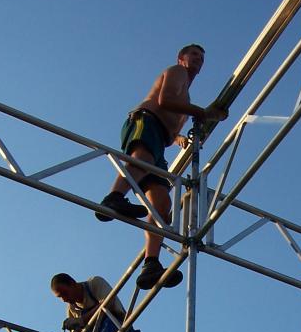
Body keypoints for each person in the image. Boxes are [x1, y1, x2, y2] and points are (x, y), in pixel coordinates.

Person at [95, 43, 228, 290]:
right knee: (141, 160)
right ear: (181, 58)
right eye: (194, 54)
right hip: (146, 122)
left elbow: (171, 124)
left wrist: (178, 138)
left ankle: (151, 263)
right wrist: (204, 113)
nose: (198, 60)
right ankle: (113, 198)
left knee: (162, 205)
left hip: (159, 138)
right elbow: (164, 100)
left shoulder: (186, 97)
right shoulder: (177, 72)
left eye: (202, 58)